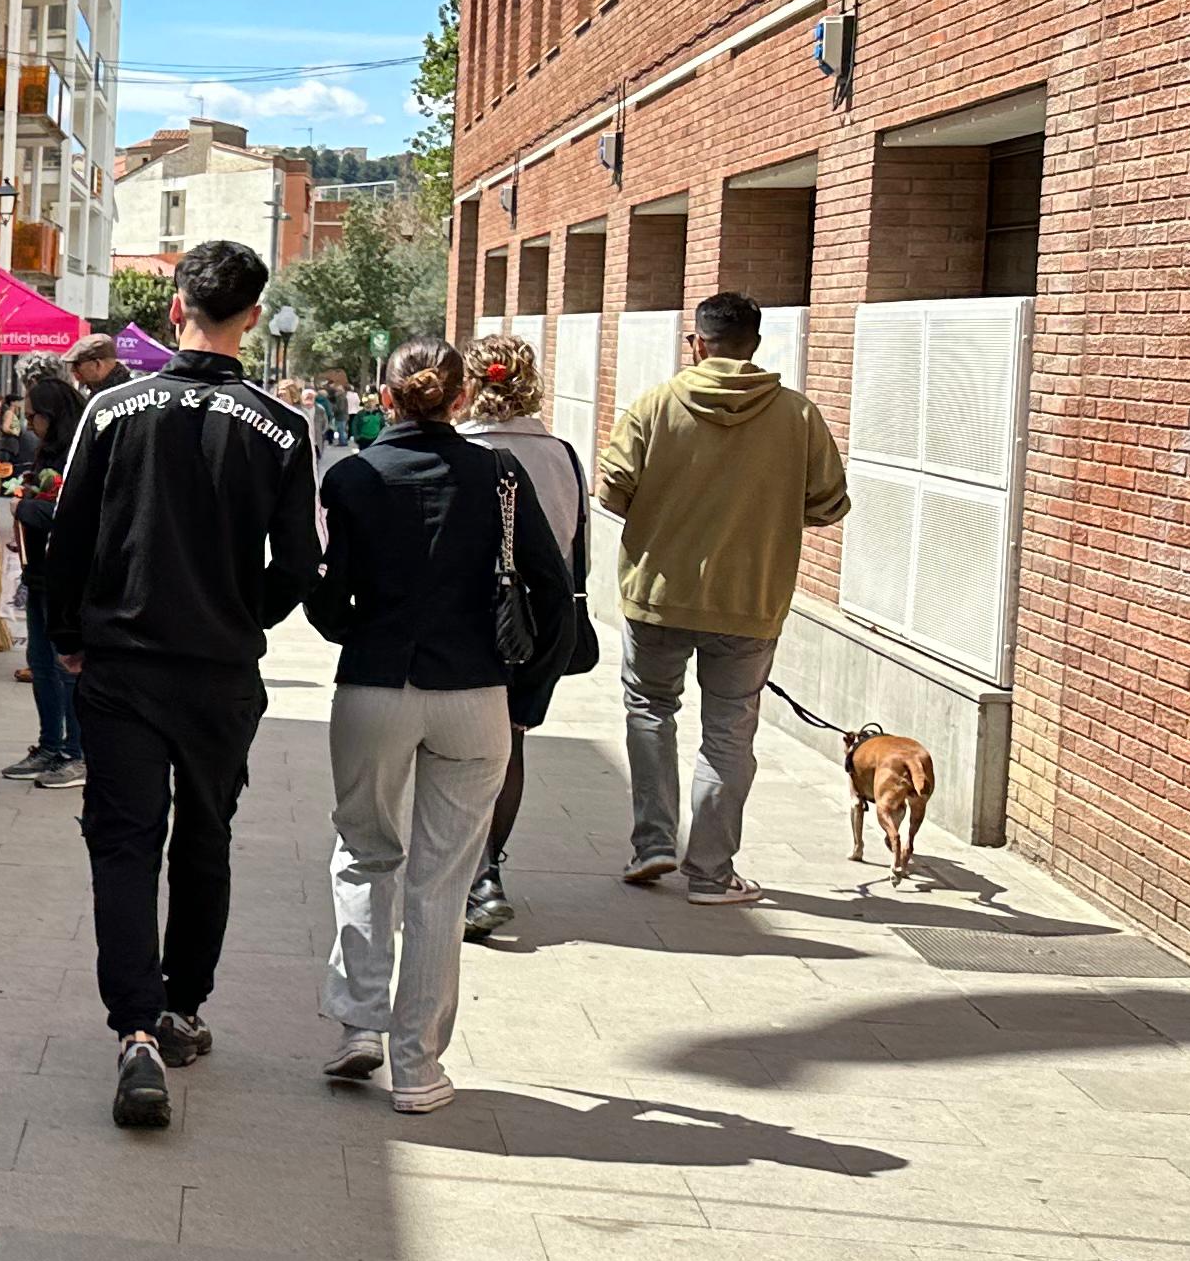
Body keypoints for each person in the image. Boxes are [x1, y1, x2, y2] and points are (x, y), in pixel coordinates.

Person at [37, 239, 320, 1133]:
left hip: (123, 662)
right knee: (204, 837)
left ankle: (135, 1031)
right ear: (253, 317)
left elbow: (65, 535)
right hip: (219, 672)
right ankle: (181, 1006)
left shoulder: (113, 408)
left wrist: (71, 638)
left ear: (174, 309)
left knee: (123, 843)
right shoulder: (284, 427)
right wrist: (245, 617)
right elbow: (301, 565)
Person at [308, 340, 572, 1114]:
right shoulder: (500, 476)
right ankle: (417, 1068)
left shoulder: (353, 476)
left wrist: (353, 627)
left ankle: (358, 1024)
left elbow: (327, 600)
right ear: (460, 400)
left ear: (384, 398)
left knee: (363, 853)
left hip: (375, 683)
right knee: (441, 882)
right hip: (474, 689)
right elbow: (553, 595)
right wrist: (523, 693)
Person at [599, 288, 849, 905]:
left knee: (650, 711)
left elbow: (611, 489)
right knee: (729, 735)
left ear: (697, 343)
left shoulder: (656, 405)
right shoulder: (797, 415)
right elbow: (830, 504)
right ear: (756, 345)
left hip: (659, 594)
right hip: (750, 599)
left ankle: (652, 844)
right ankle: (711, 874)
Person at [456, 330, 589, 939]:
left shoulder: (456, 450)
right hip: (536, 625)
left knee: (450, 749)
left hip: (462, 619)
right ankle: (489, 869)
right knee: (509, 745)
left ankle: (462, 870)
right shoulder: (562, 454)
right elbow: (569, 547)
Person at [1, 357, 87, 790]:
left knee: (65, 663)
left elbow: (73, 515)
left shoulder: (79, 452)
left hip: (68, 576)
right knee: (40, 660)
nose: (27, 422)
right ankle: (51, 745)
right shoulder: (47, 452)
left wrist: (27, 507)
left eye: (32, 415)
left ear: (51, 416)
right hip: (40, 574)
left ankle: (76, 752)